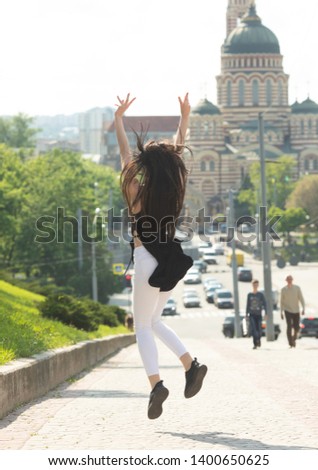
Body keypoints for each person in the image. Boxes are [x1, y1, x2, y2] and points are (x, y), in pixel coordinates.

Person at [114, 92, 207, 420]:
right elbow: (178, 150)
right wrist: (185, 117)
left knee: (141, 326)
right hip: (170, 261)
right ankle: (190, 365)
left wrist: (118, 120)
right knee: (154, 321)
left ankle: (156, 385)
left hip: (146, 260)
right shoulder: (173, 188)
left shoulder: (135, 191)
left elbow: (125, 153)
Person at [280, 275, 305, 348]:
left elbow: (301, 298)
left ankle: (294, 338)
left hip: (296, 310)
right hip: (287, 310)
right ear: (286, 280)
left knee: (297, 327)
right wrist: (281, 312)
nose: (289, 281)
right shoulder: (283, 290)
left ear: (292, 280)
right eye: (288, 279)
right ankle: (290, 342)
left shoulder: (297, 288)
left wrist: (303, 308)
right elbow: (281, 302)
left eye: (290, 279)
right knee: (289, 326)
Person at [245, 279, 267, 349]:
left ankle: (259, 340)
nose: (255, 286)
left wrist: (266, 313)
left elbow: (265, 304)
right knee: (254, 329)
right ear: (252, 285)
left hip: (259, 314)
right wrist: (246, 314)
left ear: (258, 285)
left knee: (259, 330)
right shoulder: (249, 295)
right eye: (254, 284)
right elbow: (247, 304)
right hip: (252, 314)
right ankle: (255, 344)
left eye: (256, 284)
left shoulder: (260, 295)